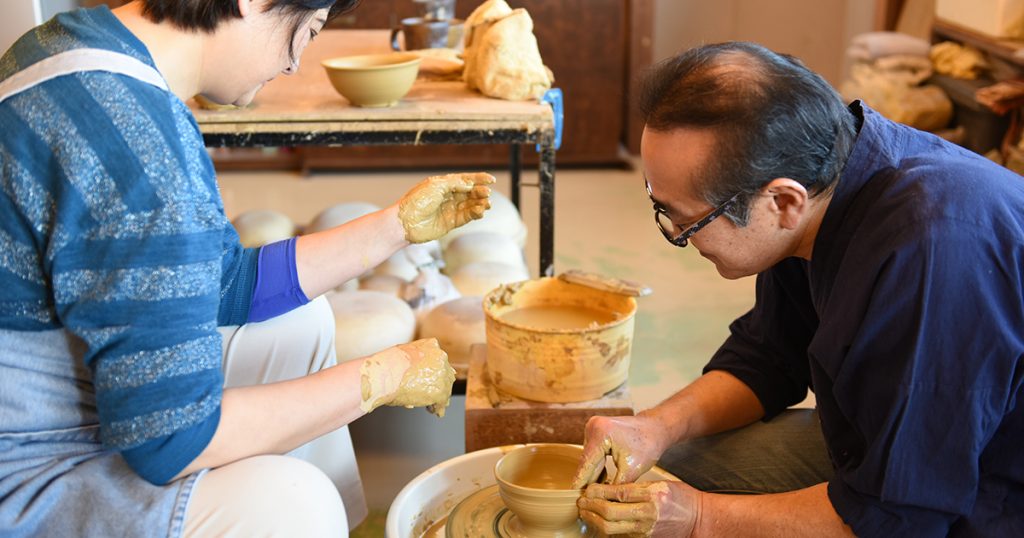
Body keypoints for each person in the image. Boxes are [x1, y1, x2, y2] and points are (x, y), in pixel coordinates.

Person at [0, 1, 494, 536]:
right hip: (28, 473)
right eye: (309, 31)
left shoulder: (75, 43)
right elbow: (169, 440)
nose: (295, 63)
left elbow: (222, 282)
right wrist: (383, 376)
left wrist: (395, 227)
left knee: (298, 324)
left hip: (69, 403)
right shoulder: (139, 144)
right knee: (292, 503)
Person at [571, 41, 1024, 537]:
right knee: (661, 470)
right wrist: (654, 427)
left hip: (988, 497)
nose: (678, 237)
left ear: (783, 201)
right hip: (897, 454)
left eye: (689, 220)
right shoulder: (820, 185)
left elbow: (901, 520)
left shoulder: (932, 253)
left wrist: (701, 517)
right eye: (663, 209)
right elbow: (768, 358)